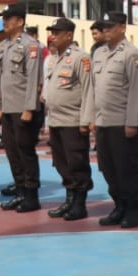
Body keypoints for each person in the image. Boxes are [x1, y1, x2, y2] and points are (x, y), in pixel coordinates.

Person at [90, 11, 138, 227]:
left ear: (122, 28)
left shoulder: (132, 54)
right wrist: (92, 117)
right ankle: (119, 206)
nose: (106, 30)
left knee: (126, 168)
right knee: (107, 167)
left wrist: (132, 122)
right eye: (104, 27)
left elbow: (135, 90)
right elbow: (94, 88)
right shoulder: (99, 53)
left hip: (121, 122)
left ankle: (132, 210)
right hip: (102, 120)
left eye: (110, 27)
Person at [42, 17, 95, 221]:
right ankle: (69, 199)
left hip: (73, 120)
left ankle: (79, 204)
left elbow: (88, 90)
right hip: (56, 120)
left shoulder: (81, 58)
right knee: (61, 163)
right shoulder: (54, 58)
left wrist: (86, 121)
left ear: (69, 35)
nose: (53, 37)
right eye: (52, 33)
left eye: (57, 33)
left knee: (76, 163)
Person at [0, 3, 44, 211]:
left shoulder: (30, 46)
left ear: (20, 21)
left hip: (23, 108)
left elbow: (33, 79)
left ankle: (31, 196)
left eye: (8, 18)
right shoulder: (3, 46)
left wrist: (29, 108)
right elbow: (0, 79)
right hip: (8, 108)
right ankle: (20, 191)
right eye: (3, 18)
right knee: (12, 152)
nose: (4, 22)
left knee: (25, 152)